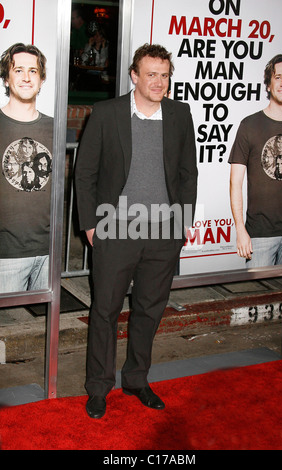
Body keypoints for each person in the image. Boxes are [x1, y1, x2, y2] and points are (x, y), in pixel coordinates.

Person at [75, 43, 197, 419]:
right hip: (115, 229)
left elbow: (187, 172)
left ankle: (136, 379)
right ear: (134, 76)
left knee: (149, 310)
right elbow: (86, 172)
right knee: (105, 311)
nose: (159, 82)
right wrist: (91, 224)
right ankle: (98, 387)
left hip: (163, 231)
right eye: (151, 74)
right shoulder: (107, 113)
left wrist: (184, 221)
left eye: (164, 75)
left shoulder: (179, 114)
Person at [229, 54, 282, 267]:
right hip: (259, 235)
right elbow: (235, 183)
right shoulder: (249, 125)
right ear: (268, 84)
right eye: (278, 77)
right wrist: (241, 230)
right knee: (259, 298)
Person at [0, 43, 53, 293]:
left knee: (43, 329)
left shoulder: (56, 128)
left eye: (33, 71)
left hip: (48, 250)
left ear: (41, 80)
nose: (26, 77)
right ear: (6, 79)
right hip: (6, 254)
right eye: (18, 70)